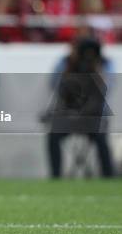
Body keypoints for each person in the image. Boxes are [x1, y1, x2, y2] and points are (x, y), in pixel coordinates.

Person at [44, 37, 114, 178]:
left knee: (101, 139)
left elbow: (101, 95)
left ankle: (108, 176)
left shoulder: (103, 66)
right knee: (53, 136)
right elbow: (59, 92)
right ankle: (55, 175)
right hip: (69, 117)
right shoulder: (67, 65)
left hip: (93, 118)